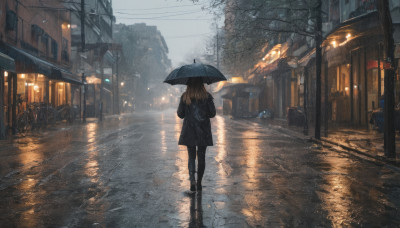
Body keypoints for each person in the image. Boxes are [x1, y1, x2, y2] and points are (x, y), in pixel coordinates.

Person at [177, 77, 216, 192]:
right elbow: (212, 113)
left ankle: (192, 180)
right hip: (203, 130)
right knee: (202, 156)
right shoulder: (207, 96)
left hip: (189, 130)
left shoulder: (185, 96)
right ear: (202, 84)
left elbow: (180, 114)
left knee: (191, 157)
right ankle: (199, 182)